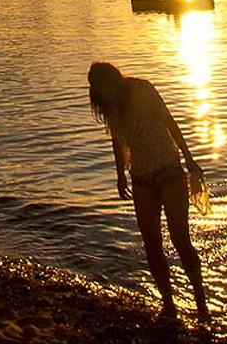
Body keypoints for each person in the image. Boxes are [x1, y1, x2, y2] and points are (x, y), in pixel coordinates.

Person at [87, 62, 209, 318]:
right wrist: (120, 175)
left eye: (107, 86)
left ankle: (200, 301)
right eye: (100, 90)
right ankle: (168, 303)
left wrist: (188, 157)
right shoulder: (108, 107)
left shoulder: (142, 89)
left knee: (181, 241)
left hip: (170, 171)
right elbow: (118, 141)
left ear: (115, 80)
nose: (105, 93)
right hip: (142, 178)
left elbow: (169, 121)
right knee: (152, 245)